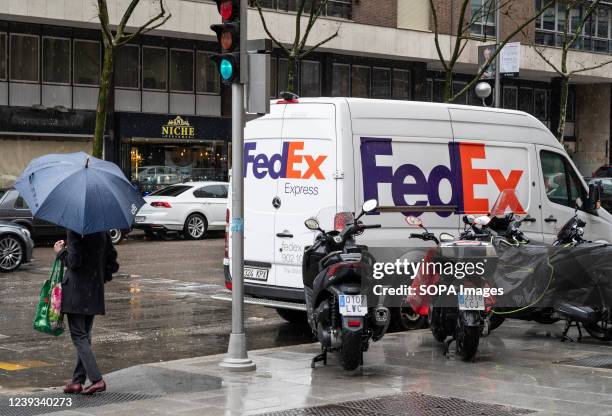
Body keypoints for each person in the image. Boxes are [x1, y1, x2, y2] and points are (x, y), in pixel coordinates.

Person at [54, 230, 118, 395]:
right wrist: (101, 277)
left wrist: (61, 251)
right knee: (85, 335)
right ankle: (77, 381)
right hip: (94, 290)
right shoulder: (102, 229)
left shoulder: (74, 230)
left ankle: (97, 380)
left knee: (79, 336)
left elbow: (74, 262)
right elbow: (112, 259)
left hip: (76, 292)